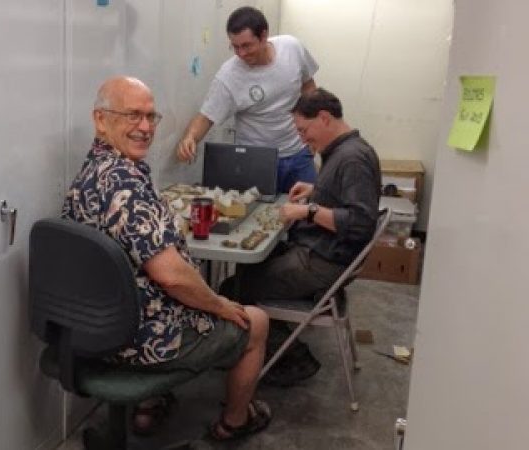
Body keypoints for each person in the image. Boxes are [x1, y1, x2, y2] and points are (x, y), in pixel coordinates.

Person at [61, 76, 271, 440]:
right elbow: (171, 277)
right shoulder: (124, 183)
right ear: (100, 119)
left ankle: (149, 405)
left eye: (150, 117)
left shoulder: (93, 172)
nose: (144, 128)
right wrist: (219, 304)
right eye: (132, 116)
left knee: (173, 295)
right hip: (139, 337)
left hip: (95, 326)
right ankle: (234, 423)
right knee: (256, 321)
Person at [222, 88, 381, 386]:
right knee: (251, 267)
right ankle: (269, 345)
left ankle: (289, 357)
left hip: (323, 262)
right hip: (323, 253)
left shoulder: (352, 159)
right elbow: (343, 201)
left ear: (324, 118)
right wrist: (316, 192)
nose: (303, 138)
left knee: (233, 288)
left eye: (304, 130)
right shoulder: (345, 151)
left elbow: (360, 223)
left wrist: (307, 211)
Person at [176, 6, 319, 193]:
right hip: (256, 161)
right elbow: (206, 116)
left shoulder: (292, 48)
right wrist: (190, 138)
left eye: (246, 45)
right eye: (235, 46)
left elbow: (309, 88)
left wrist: (315, 134)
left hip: (299, 153)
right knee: (260, 215)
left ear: (264, 36)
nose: (241, 53)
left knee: (310, 211)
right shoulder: (229, 76)